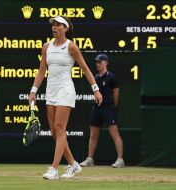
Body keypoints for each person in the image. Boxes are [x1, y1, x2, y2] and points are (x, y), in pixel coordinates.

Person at [28, 16, 103, 180]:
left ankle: (54, 168)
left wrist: (95, 89)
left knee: (60, 128)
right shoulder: (46, 46)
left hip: (66, 90)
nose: (54, 27)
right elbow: (41, 71)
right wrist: (34, 90)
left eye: (58, 25)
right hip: (51, 91)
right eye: (53, 25)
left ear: (66, 28)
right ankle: (73, 165)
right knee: (54, 131)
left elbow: (85, 68)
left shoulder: (71, 47)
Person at [80, 54, 125, 168]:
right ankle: (90, 159)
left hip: (108, 108)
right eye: (96, 62)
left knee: (114, 134)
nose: (97, 64)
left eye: (100, 62)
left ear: (106, 63)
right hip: (96, 108)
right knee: (93, 134)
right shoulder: (95, 78)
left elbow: (116, 93)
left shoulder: (112, 77)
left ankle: (120, 160)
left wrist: (112, 106)